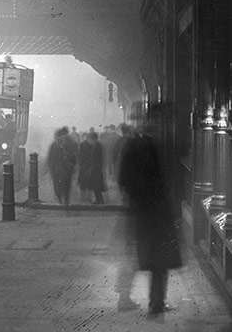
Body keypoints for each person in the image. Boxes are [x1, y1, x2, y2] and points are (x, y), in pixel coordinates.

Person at [118, 117, 182, 316]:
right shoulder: (159, 148)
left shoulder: (132, 146)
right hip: (156, 212)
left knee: (134, 255)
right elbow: (166, 181)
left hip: (137, 209)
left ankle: (124, 297)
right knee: (158, 260)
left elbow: (123, 178)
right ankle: (156, 304)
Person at [46, 127, 77, 206]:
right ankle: (60, 198)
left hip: (65, 168)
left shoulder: (69, 145)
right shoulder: (54, 145)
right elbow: (51, 157)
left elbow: (73, 157)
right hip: (57, 169)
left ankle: (65, 200)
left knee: (66, 185)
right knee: (58, 185)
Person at [78, 131, 106, 204]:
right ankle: (99, 199)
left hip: (95, 169)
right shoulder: (96, 145)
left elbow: (95, 158)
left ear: (92, 139)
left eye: (89, 140)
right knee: (95, 185)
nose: (88, 141)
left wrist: (91, 166)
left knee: (96, 185)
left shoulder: (96, 146)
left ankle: (99, 200)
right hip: (95, 168)